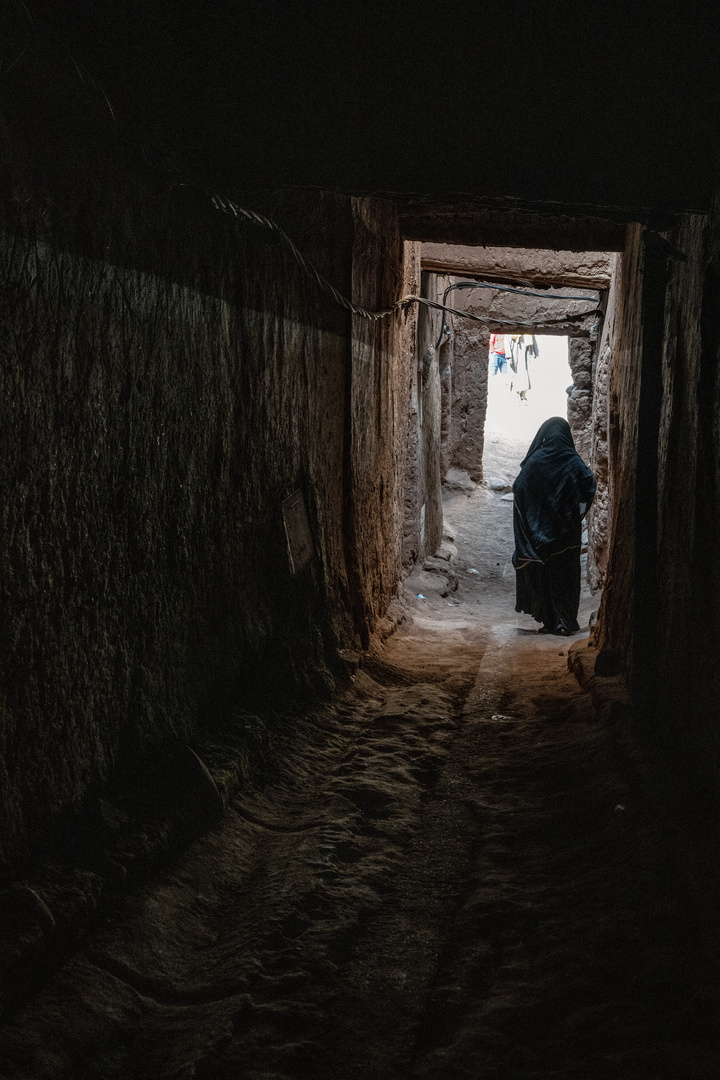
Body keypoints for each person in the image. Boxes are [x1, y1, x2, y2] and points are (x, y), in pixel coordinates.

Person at [512, 417, 596, 636]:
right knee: (566, 577)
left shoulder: (537, 460)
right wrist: (576, 513)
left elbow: (519, 486)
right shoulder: (573, 461)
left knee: (546, 576)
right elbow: (588, 484)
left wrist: (533, 518)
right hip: (567, 536)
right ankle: (565, 622)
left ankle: (549, 620)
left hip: (540, 536)